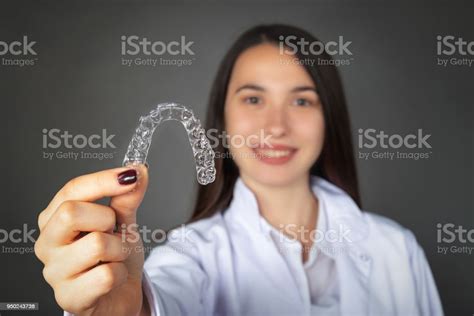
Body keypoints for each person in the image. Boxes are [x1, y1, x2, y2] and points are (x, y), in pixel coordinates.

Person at [34, 24, 443, 316]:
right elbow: (164, 299)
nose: (276, 126)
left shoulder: (397, 250)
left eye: (302, 101)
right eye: (253, 99)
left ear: (328, 119)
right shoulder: (189, 255)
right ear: (222, 118)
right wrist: (130, 311)